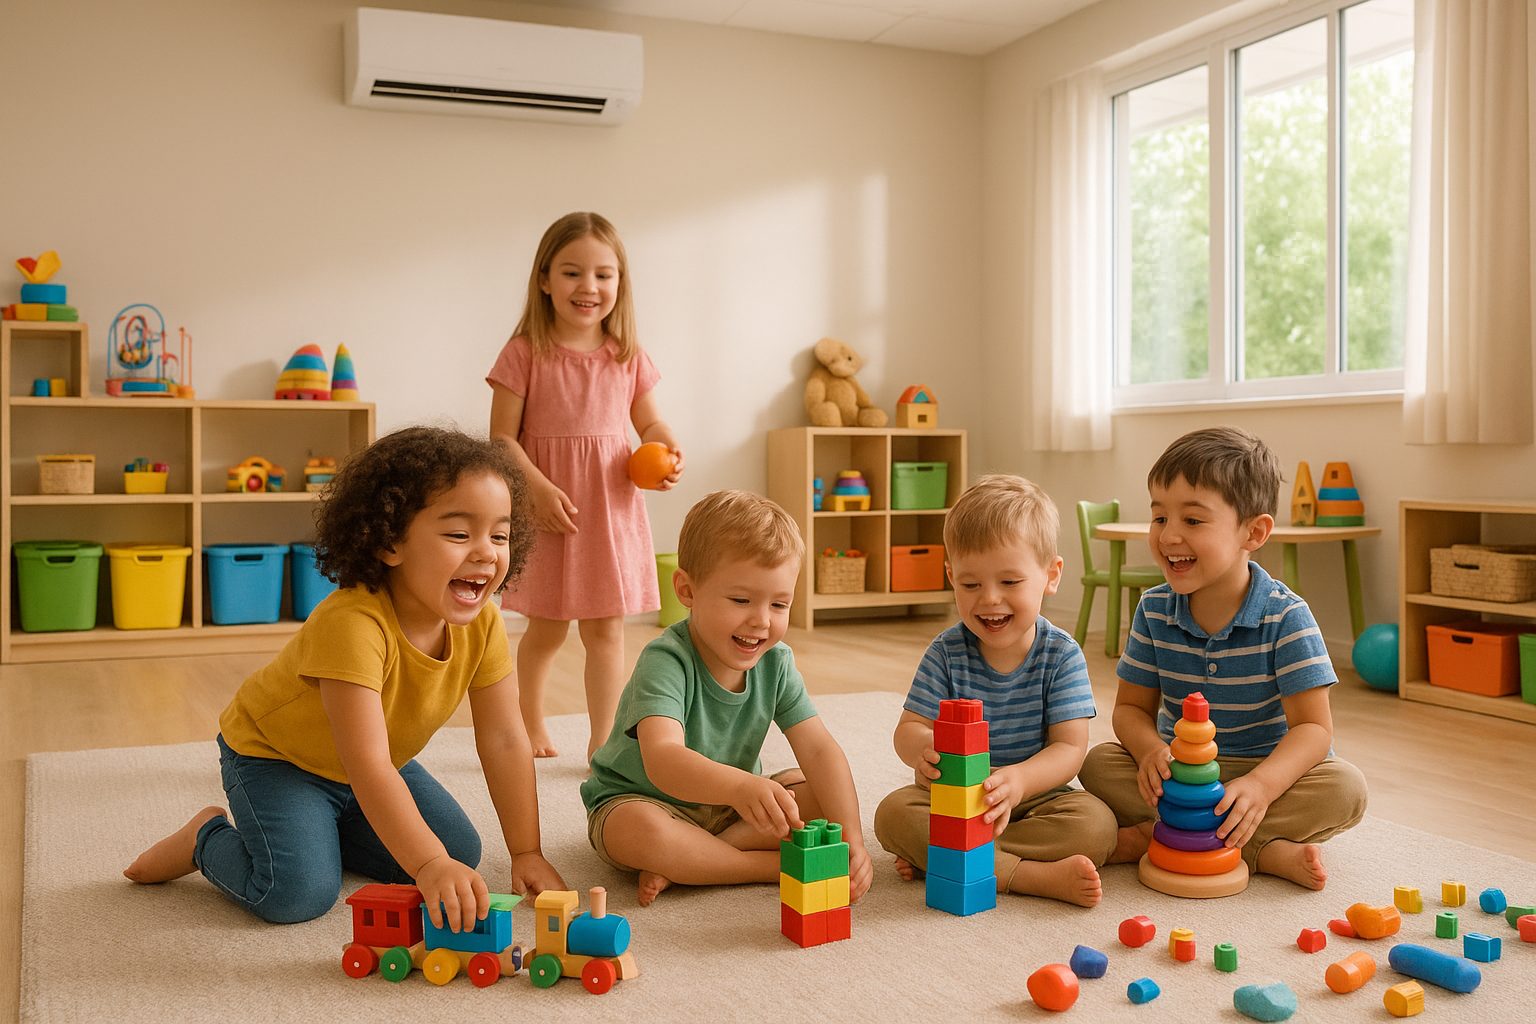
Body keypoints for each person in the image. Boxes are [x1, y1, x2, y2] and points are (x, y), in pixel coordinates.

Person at [124, 427, 566, 927]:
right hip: (279, 760)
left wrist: (525, 850)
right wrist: (425, 862)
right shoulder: (352, 624)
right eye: (460, 534)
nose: (487, 552)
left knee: (458, 853)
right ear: (390, 542)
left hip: (371, 766)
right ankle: (206, 838)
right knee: (296, 894)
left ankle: (325, 830)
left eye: (500, 535)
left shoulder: (484, 623)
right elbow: (370, 765)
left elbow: (506, 738)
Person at [1079, 426, 1368, 890]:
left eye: (1193, 521)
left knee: (1346, 789)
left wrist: (1261, 786)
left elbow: (1314, 731)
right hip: (1184, 775)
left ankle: (1172, 836)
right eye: (1159, 519)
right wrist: (1151, 750)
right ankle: (1260, 850)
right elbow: (1132, 709)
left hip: (1264, 771)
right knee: (1097, 764)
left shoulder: (1286, 616)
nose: (1169, 535)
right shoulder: (1153, 610)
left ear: (1253, 532)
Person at [579, 490, 873, 907]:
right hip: (648, 801)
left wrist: (852, 837)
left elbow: (820, 749)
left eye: (779, 604)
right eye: (741, 600)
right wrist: (740, 787)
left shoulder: (777, 662)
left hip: (731, 811)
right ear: (687, 589)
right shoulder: (666, 659)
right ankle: (766, 866)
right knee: (636, 828)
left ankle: (698, 861)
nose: (761, 620)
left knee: (818, 793)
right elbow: (663, 760)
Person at [488, 211, 683, 762]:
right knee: (546, 631)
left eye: (604, 274)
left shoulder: (626, 355)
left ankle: (603, 738)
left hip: (607, 509)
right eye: (573, 273)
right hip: (548, 506)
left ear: (620, 283)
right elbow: (501, 438)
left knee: (606, 633)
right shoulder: (524, 352)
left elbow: (650, 424)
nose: (589, 287)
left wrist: (667, 448)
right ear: (545, 279)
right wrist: (535, 491)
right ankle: (529, 722)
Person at [874, 475, 1117, 908]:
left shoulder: (1061, 654)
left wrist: (1020, 780)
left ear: (1050, 576)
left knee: (1096, 825)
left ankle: (950, 860)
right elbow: (909, 728)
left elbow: (1069, 748)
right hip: (954, 800)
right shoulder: (946, 652)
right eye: (970, 585)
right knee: (892, 814)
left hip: (1036, 799)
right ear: (951, 577)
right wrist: (924, 749)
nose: (989, 600)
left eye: (1009, 582)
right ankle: (1025, 876)